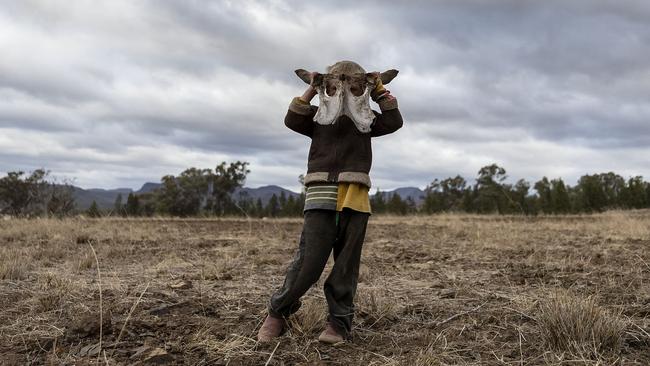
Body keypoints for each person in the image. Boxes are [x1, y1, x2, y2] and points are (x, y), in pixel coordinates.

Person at [257, 60, 403, 344]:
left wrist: (379, 88)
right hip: (320, 192)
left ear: (362, 89)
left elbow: (394, 121)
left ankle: (338, 324)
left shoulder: (367, 118)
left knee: (346, 264)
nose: (345, 91)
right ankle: (277, 312)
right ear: (328, 87)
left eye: (355, 86)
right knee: (309, 261)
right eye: (336, 86)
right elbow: (292, 119)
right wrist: (313, 88)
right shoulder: (318, 117)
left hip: (355, 194)